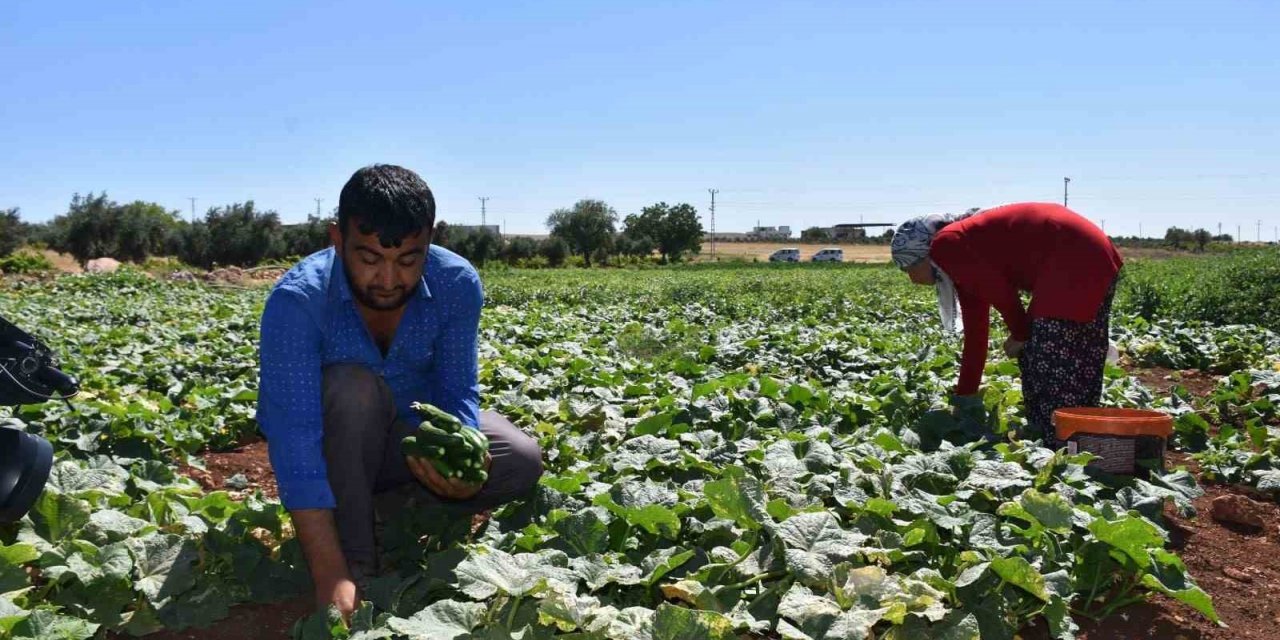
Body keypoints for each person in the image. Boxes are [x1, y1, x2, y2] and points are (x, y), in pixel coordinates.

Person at [256, 164, 543, 618]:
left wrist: (464, 449)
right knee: (353, 389)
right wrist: (330, 574)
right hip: (336, 446)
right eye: (369, 258)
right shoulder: (298, 301)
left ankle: (391, 507)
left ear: (430, 240)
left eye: (408, 260)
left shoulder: (457, 283)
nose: (388, 279)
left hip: (408, 441)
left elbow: (457, 389)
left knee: (519, 459)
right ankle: (355, 558)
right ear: (337, 239)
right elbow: (294, 439)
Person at [890, 202, 1123, 446]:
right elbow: (976, 336)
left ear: (922, 256)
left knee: (1043, 359)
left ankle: (1060, 443)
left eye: (906, 267)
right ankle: (1081, 435)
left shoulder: (946, 245)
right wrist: (964, 400)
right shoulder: (964, 251)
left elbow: (1002, 294)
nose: (911, 278)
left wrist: (1020, 335)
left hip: (1071, 256)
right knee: (1080, 355)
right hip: (1094, 252)